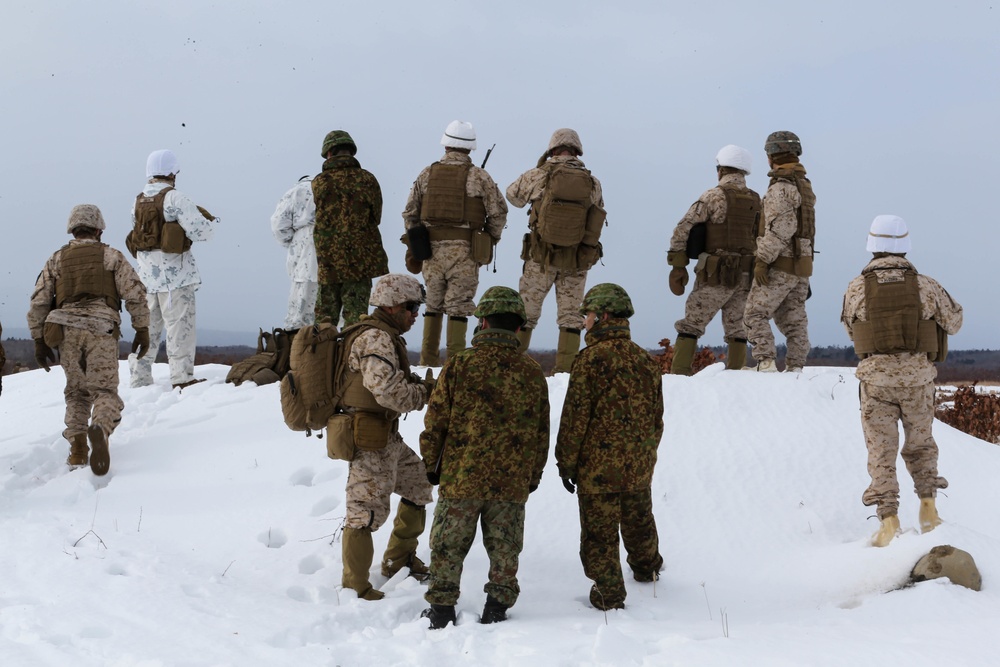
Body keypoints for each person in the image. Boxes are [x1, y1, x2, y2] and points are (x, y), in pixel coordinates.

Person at [419, 286, 550, 629]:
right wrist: (532, 476)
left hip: (461, 476)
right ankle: (497, 608)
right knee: (505, 548)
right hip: (511, 482)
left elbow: (435, 423)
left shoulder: (460, 364)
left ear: (484, 322)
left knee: (448, 545)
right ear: (518, 328)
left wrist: (433, 466)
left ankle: (442, 610)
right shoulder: (533, 372)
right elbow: (541, 433)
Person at [840, 215, 963, 547]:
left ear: (872, 246)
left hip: (876, 382)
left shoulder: (855, 287)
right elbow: (955, 322)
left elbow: (851, 330)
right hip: (918, 381)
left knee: (881, 451)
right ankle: (928, 508)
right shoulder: (927, 284)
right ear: (905, 245)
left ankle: (889, 519)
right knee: (921, 445)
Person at [555, 283, 664, 611]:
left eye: (587, 314)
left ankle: (609, 594)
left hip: (598, 468)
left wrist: (566, 462)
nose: (585, 321)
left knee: (599, 534)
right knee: (639, 517)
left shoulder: (590, 360)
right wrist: (645, 453)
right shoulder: (645, 360)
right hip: (638, 462)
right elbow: (656, 418)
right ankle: (647, 568)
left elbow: (575, 420)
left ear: (602, 316)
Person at [27, 204, 150, 475]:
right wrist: (142, 329)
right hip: (101, 329)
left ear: (73, 229)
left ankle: (78, 448)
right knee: (104, 392)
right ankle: (100, 428)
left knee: (76, 393)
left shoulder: (56, 259)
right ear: (98, 229)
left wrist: (38, 339)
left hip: (65, 331)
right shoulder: (111, 256)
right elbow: (136, 295)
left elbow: (39, 301)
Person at [336, 273, 435, 600]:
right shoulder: (376, 339)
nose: (415, 314)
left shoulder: (383, 335)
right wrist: (424, 394)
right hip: (368, 439)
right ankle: (356, 587)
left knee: (418, 485)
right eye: (411, 307)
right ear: (393, 306)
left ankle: (398, 560)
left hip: (385, 436)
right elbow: (389, 393)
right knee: (364, 511)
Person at [402, 120, 508, 366]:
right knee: (459, 307)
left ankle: (427, 361)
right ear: (471, 148)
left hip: (431, 251)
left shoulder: (427, 173)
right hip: (465, 250)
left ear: (446, 144)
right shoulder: (480, 176)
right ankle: (456, 364)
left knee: (433, 304)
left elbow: (410, 213)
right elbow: (499, 213)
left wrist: (417, 244)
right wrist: (489, 239)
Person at [506, 128, 606, 372]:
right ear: (577, 151)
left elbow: (513, 196)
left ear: (552, 149)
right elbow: (598, 212)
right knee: (571, 316)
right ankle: (566, 372)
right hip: (576, 260)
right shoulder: (592, 182)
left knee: (526, 313)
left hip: (541, 256)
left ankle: (512, 367)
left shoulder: (540, 175)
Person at [126, 149, 217, 389]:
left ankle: (139, 378)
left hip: (146, 278)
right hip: (176, 279)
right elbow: (203, 232)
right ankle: (182, 378)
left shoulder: (137, 200)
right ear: (172, 172)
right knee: (180, 331)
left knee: (147, 331)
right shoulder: (176, 198)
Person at [666, 145, 761, 374]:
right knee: (738, 328)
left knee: (692, 324)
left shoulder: (713, 196)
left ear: (720, 170)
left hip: (715, 274)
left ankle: (678, 374)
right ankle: (736, 374)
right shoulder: (757, 200)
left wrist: (678, 265)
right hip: (747, 275)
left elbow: (683, 229)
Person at [743, 131, 815, 372]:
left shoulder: (781, 188)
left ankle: (765, 363)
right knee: (793, 319)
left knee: (754, 313)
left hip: (780, 263)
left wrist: (762, 259)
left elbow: (783, 229)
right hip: (801, 265)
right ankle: (796, 368)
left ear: (771, 155)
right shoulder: (804, 186)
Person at [312, 130, 388, 327]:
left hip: (329, 262)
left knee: (324, 319)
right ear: (351, 152)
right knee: (356, 317)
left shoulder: (319, 182)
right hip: (360, 262)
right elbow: (376, 217)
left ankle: (321, 356)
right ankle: (351, 355)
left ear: (329, 153)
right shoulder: (367, 179)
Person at [270, 175, 318, 331]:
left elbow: (279, 225)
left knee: (301, 305)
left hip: (305, 246)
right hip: (335, 247)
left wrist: (291, 242)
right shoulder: (332, 188)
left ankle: (297, 346)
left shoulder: (296, 191)